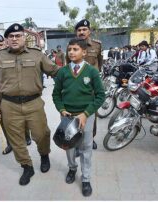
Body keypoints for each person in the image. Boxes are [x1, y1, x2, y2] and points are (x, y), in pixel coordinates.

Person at [0, 23, 59, 186]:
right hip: (9, 105)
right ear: (7, 40)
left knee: (42, 134)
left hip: (34, 103)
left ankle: (44, 155)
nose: (14, 39)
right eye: (11, 36)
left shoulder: (37, 55)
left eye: (18, 36)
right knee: (16, 140)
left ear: (24, 38)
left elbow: (55, 71)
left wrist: (77, 72)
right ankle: (26, 166)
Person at [52, 38, 105, 197]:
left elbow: (100, 96)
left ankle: (86, 178)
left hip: (86, 116)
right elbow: (56, 95)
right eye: (70, 50)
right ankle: (72, 168)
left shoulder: (92, 72)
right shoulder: (63, 72)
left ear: (84, 52)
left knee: (86, 147)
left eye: (75, 49)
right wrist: (61, 109)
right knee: (68, 146)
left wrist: (86, 113)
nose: (71, 52)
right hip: (67, 116)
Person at [0, 34, 31, 155]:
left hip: (14, 93)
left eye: (2, 45)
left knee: (23, 115)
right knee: (2, 120)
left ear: (6, 44)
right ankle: (10, 143)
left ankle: (26, 136)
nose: (0, 47)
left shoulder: (12, 55)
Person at [68, 19, 103, 150]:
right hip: (76, 86)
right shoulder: (71, 46)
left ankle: (91, 137)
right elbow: (69, 65)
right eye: (79, 30)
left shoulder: (97, 45)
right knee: (75, 112)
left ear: (89, 31)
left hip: (91, 87)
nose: (82, 32)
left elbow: (99, 63)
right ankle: (76, 136)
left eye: (84, 30)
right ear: (76, 32)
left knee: (92, 113)